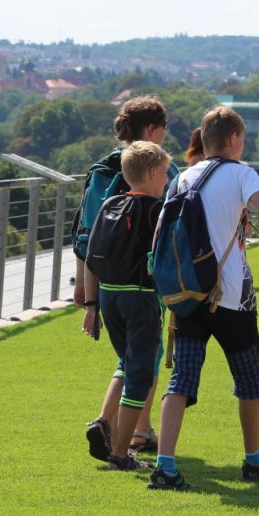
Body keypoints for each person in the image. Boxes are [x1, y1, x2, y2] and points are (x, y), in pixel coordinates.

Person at [149, 106, 259, 491]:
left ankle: (165, 464)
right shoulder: (242, 173)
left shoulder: (181, 178)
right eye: (242, 139)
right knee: (249, 379)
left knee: (182, 379)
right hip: (231, 300)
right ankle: (254, 459)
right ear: (232, 139)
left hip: (188, 295)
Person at [72, 96, 178, 460]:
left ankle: (133, 428)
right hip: (142, 290)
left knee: (131, 359)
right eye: (163, 131)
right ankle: (124, 438)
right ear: (151, 131)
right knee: (143, 363)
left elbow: (87, 237)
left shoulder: (102, 172)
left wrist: (86, 292)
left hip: (107, 287)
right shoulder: (159, 173)